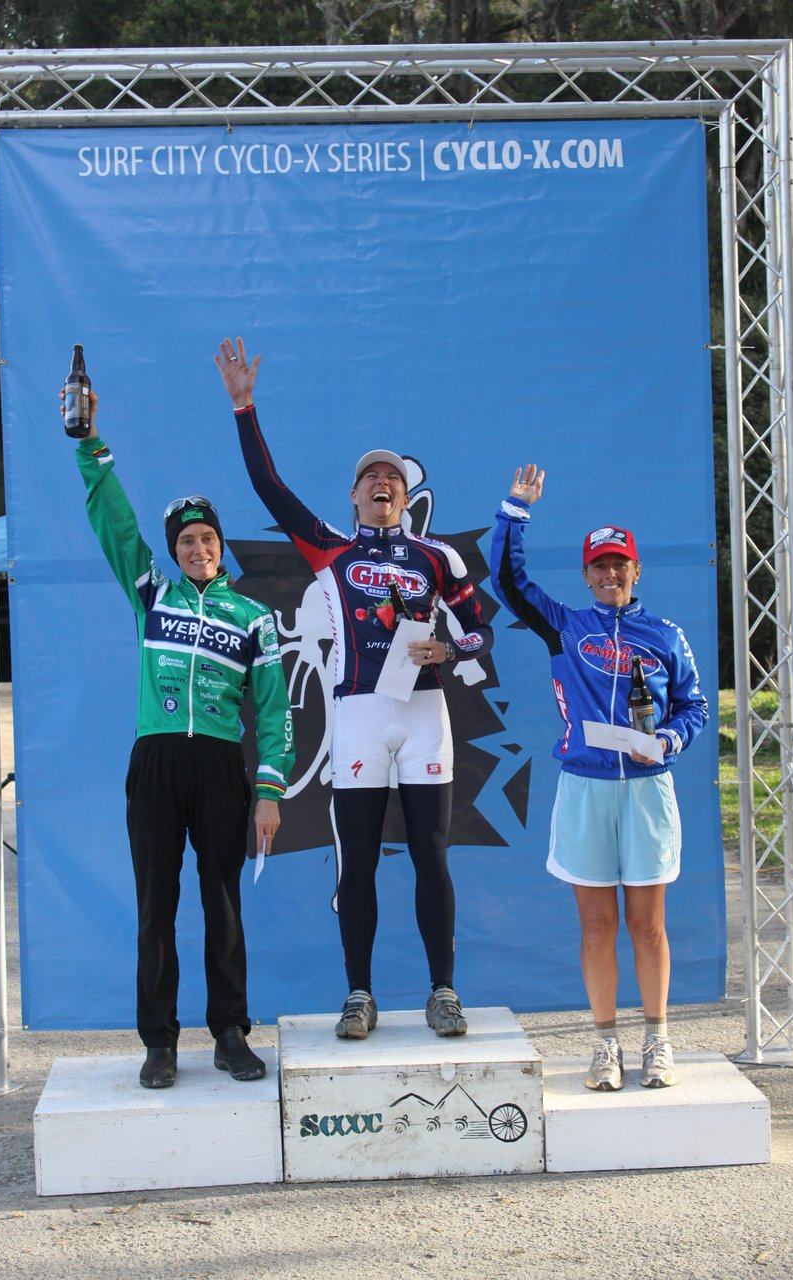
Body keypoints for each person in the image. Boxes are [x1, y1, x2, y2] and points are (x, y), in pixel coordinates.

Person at [214, 336, 493, 1040]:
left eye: (392, 480)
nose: (381, 485)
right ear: (354, 494)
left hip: (425, 714)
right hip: (360, 717)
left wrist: (448, 644)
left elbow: (478, 632)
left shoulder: (437, 556)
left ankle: (442, 991)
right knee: (357, 860)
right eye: (370, 477)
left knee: (431, 855)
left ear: (405, 496)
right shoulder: (330, 549)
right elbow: (270, 491)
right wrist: (244, 408)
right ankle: (359, 993)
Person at [68, 385, 294, 1088]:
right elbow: (115, 521)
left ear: (221, 547)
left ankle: (229, 1032)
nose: (197, 549)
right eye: (186, 541)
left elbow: (276, 711)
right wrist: (88, 445)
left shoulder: (253, 617)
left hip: (222, 764)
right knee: (154, 902)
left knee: (221, 901)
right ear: (173, 551)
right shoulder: (152, 594)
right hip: (158, 757)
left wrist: (269, 791)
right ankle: (159, 1043)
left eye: (207, 539)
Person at [490, 465, 708, 1090]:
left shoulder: (665, 635)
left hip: (647, 791)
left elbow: (693, 706)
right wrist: (515, 511)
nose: (611, 576)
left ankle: (658, 1040)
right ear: (586, 575)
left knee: (649, 924)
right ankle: (605, 1044)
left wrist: (666, 738)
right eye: (600, 566)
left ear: (636, 572)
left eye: (621, 565)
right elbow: (509, 581)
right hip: (585, 786)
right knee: (596, 925)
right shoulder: (566, 626)